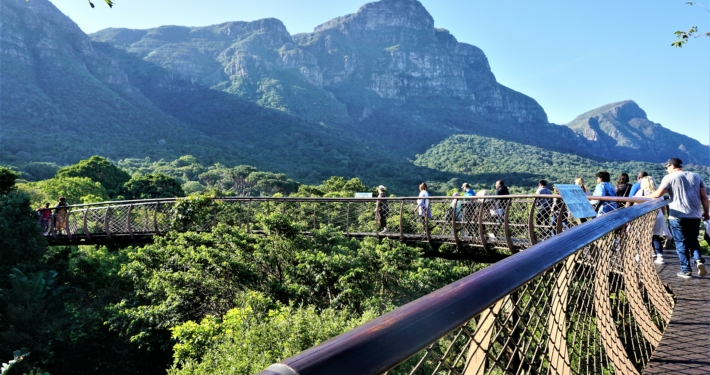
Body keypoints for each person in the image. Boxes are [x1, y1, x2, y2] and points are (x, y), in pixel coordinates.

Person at [648, 158, 709, 278]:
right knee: (693, 240)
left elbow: (657, 194)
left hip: (677, 216)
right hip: (695, 215)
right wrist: (706, 212)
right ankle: (699, 260)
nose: (666, 170)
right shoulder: (696, 176)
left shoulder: (669, 177)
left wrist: (640, 199)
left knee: (681, 243)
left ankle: (686, 270)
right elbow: (704, 197)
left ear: (671, 166)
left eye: (666, 168)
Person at [634, 176, 672, 264]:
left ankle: (639, 255)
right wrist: (662, 215)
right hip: (657, 216)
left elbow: (635, 203)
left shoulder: (641, 192)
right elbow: (663, 207)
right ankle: (660, 256)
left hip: (645, 216)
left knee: (642, 236)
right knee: (655, 236)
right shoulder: (658, 193)